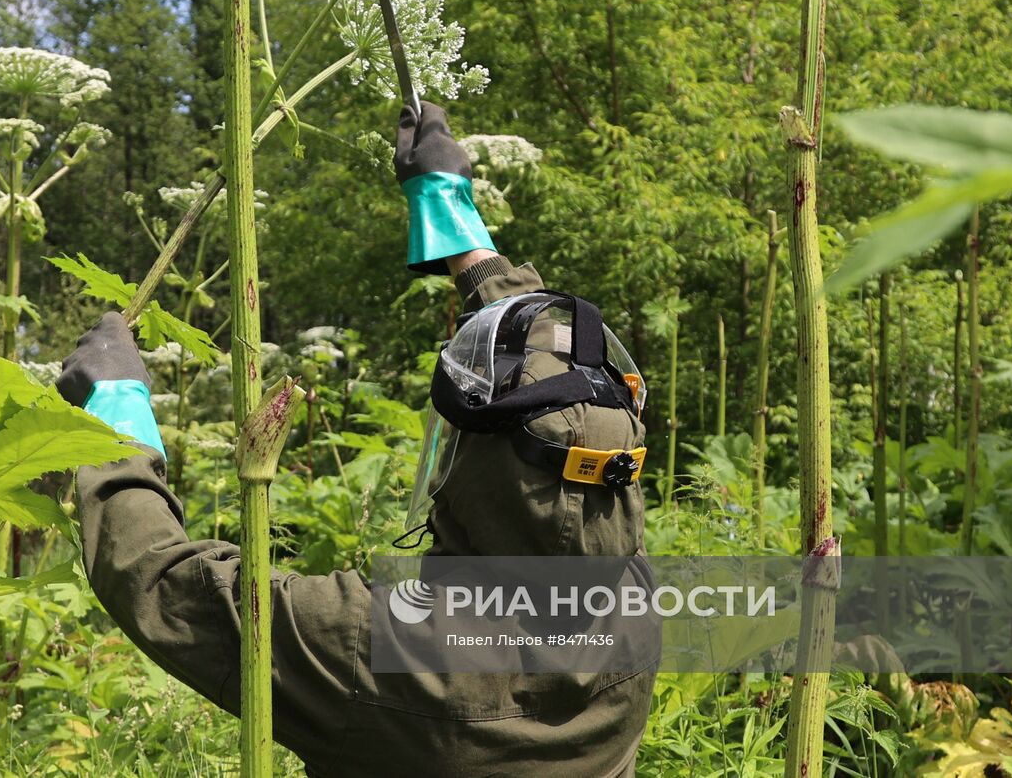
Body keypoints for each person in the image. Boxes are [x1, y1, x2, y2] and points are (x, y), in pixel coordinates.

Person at [59, 103, 656, 777]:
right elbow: (562, 389)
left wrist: (115, 414)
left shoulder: (373, 644)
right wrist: (456, 221)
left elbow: (157, 578)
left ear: (476, 470)